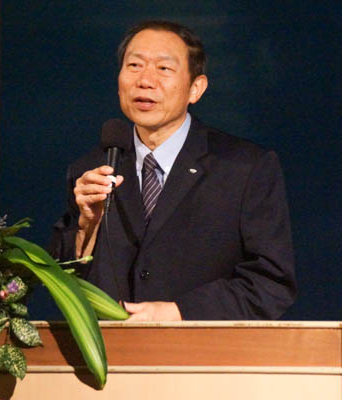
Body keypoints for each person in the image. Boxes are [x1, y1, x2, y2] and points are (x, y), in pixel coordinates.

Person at [50, 20, 296, 321]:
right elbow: (63, 283)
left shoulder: (245, 168)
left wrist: (180, 313)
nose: (145, 80)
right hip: (112, 357)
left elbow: (271, 283)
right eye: (134, 65)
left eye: (164, 69)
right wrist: (86, 227)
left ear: (196, 88)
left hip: (205, 358)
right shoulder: (91, 170)